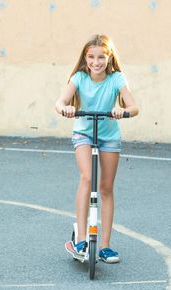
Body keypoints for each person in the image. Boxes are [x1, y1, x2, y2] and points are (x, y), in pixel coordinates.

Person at [55, 34, 139, 263]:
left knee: (106, 188)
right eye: (91, 57)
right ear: (85, 58)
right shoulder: (79, 78)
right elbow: (59, 102)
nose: (96, 62)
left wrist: (123, 111)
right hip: (84, 133)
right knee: (87, 177)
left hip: (109, 136)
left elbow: (134, 106)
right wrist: (67, 108)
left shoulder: (116, 79)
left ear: (109, 58)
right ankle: (81, 239)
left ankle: (105, 246)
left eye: (101, 57)